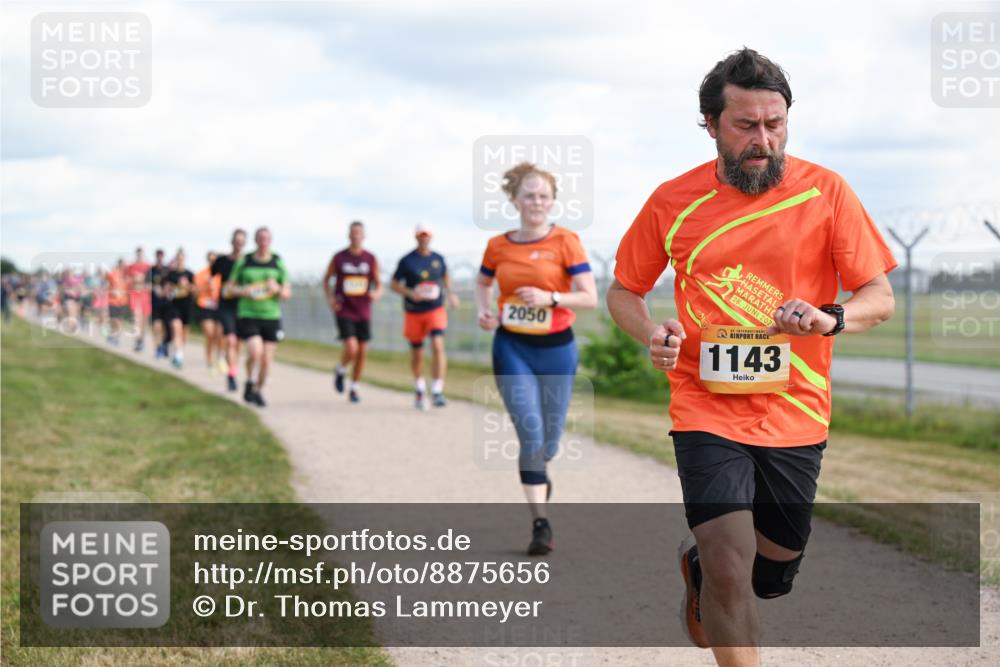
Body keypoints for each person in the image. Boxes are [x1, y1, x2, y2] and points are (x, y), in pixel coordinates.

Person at [606, 48, 897, 665]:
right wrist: (650, 334)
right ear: (711, 125)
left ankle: (697, 571)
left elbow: (879, 296)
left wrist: (829, 318)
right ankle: (710, 567)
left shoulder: (826, 192)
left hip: (796, 408)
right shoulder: (672, 201)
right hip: (704, 404)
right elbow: (624, 290)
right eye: (745, 126)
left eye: (775, 124)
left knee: (771, 572)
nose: (762, 140)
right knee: (730, 562)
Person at [474, 162, 598, 556]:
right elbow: (482, 283)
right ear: (515, 200)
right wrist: (484, 310)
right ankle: (540, 523)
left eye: (544, 195)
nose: (537, 202)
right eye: (529, 195)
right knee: (529, 434)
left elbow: (590, 297)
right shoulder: (498, 245)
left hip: (558, 349)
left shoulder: (566, 241)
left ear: (552, 200)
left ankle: (541, 467)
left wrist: (552, 298)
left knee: (548, 442)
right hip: (512, 346)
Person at [390, 224, 460, 410]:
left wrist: (451, 293)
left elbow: (445, 277)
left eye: (426, 235)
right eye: (421, 235)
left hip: (435, 309)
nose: (424, 238)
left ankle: (437, 389)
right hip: (414, 311)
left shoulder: (438, 259)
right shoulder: (407, 260)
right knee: (417, 353)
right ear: (416, 237)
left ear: (431, 237)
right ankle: (420, 387)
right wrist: (410, 293)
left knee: (438, 345)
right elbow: (394, 284)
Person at [226, 227, 291, 407]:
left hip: (271, 315)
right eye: (260, 239)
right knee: (255, 351)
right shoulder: (245, 261)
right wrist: (242, 290)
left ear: (270, 241)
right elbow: (229, 288)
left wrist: (276, 289)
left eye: (267, 239)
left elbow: (287, 293)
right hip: (249, 313)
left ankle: (258, 390)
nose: (263, 242)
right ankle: (249, 379)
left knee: (266, 360)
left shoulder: (277, 262)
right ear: (255, 241)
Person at [323, 221, 382, 403]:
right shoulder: (339, 257)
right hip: (344, 309)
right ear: (349, 235)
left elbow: (379, 283)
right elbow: (326, 280)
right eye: (353, 233)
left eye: (359, 233)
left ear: (363, 236)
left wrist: (376, 293)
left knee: (362, 352)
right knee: (351, 347)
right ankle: (341, 369)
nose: (356, 236)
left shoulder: (370, 258)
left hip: (363, 310)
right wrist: (330, 299)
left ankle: (355, 387)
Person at [212, 229, 248, 391]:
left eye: (242, 241)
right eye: (236, 241)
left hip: (243, 306)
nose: (239, 244)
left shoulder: (248, 261)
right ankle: (232, 376)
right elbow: (211, 279)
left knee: (238, 343)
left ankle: (232, 369)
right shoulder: (222, 261)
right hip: (226, 305)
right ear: (232, 242)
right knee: (231, 340)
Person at [164, 249, 195, 369]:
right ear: (176, 259)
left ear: (185, 259)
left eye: (182, 258)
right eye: (178, 258)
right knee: (176, 328)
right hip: (174, 306)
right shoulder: (170, 274)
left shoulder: (190, 274)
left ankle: (178, 351)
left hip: (186, 306)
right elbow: (165, 291)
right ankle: (178, 356)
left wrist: (187, 285)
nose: (180, 260)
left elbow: (195, 290)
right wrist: (170, 289)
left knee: (184, 334)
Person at [194, 251, 224, 371]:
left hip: (219, 307)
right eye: (211, 260)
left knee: (220, 334)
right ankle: (209, 360)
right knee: (210, 334)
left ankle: (220, 357)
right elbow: (195, 292)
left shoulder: (221, 274)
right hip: (205, 306)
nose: (213, 262)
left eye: (214, 260)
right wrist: (207, 286)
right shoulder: (201, 274)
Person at [126, 247, 152, 352]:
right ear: (136, 254)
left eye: (141, 254)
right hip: (134, 293)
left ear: (144, 255)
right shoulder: (131, 266)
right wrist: (134, 279)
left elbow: (151, 282)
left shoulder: (148, 267)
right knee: (136, 316)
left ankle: (141, 339)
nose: (139, 256)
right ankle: (137, 340)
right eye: (138, 254)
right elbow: (126, 279)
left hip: (145, 294)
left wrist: (142, 279)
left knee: (144, 320)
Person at [149, 249, 173, 358]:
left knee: (165, 327)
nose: (160, 258)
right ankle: (158, 348)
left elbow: (170, 284)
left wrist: (164, 291)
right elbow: (147, 283)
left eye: (161, 256)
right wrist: (155, 288)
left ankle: (164, 345)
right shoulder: (151, 270)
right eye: (158, 256)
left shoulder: (167, 270)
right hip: (155, 303)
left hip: (166, 303)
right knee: (157, 326)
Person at [106, 259, 129, 346]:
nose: (123, 267)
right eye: (122, 265)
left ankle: (116, 337)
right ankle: (112, 334)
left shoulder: (126, 276)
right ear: (119, 265)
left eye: (124, 266)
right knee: (114, 320)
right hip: (113, 301)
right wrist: (112, 290)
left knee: (120, 320)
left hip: (123, 301)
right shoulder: (113, 273)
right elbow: (106, 281)